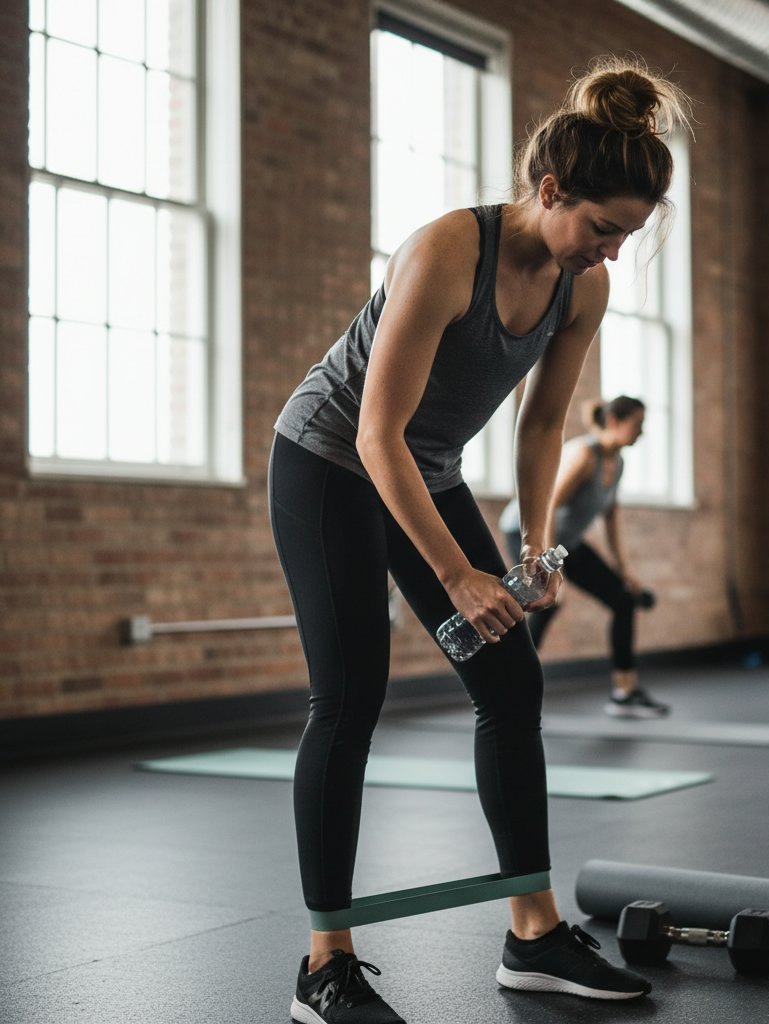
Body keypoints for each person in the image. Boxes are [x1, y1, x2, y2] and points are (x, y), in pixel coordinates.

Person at [269, 56, 691, 1023]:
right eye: (604, 227)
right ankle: (324, 966)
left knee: (510, 684)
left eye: (628, 235)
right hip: (330, 460)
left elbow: (542, 426)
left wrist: (534, 553)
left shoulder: (583, 288)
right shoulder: (446, 251)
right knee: (349, 696)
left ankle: (533, 937)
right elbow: (375, 435)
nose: (612, 251)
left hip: (427, 469)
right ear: (551, 190)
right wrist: (458, 572)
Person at [500, 395, 670, 718]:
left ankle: (624, 692)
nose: (642, 432)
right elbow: (548, 506)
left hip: (566, 543)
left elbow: (611, 517)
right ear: (614, 421)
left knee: (623, 599)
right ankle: (510, 689)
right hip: (527, 533)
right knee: (548, 602)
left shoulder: (617, 463)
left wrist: (625, 569)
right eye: (638, 424)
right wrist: (550, 568)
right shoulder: (584, 455)